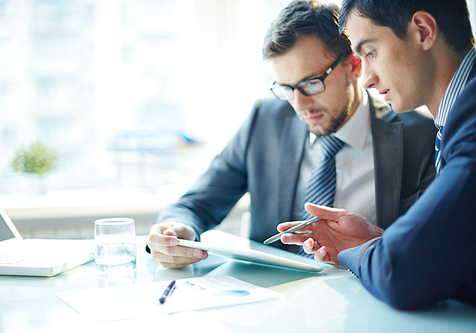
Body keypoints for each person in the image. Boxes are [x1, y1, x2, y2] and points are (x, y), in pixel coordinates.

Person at [147, 0, 436, 269]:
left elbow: (432, 248)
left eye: (311, 83)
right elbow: (196, 203)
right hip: (277, 303)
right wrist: (175, 230)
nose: (300, 105)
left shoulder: (419, 135)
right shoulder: (266, 121)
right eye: (286, 89)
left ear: (353, 65)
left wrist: (374, 244)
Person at [280, 0, 476, 310]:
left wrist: (364, 251)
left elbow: (403, 275)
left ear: (423, 31)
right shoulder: (455, 120)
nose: (366, 78)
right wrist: (380, 243)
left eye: (370, 52)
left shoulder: (470, 122)